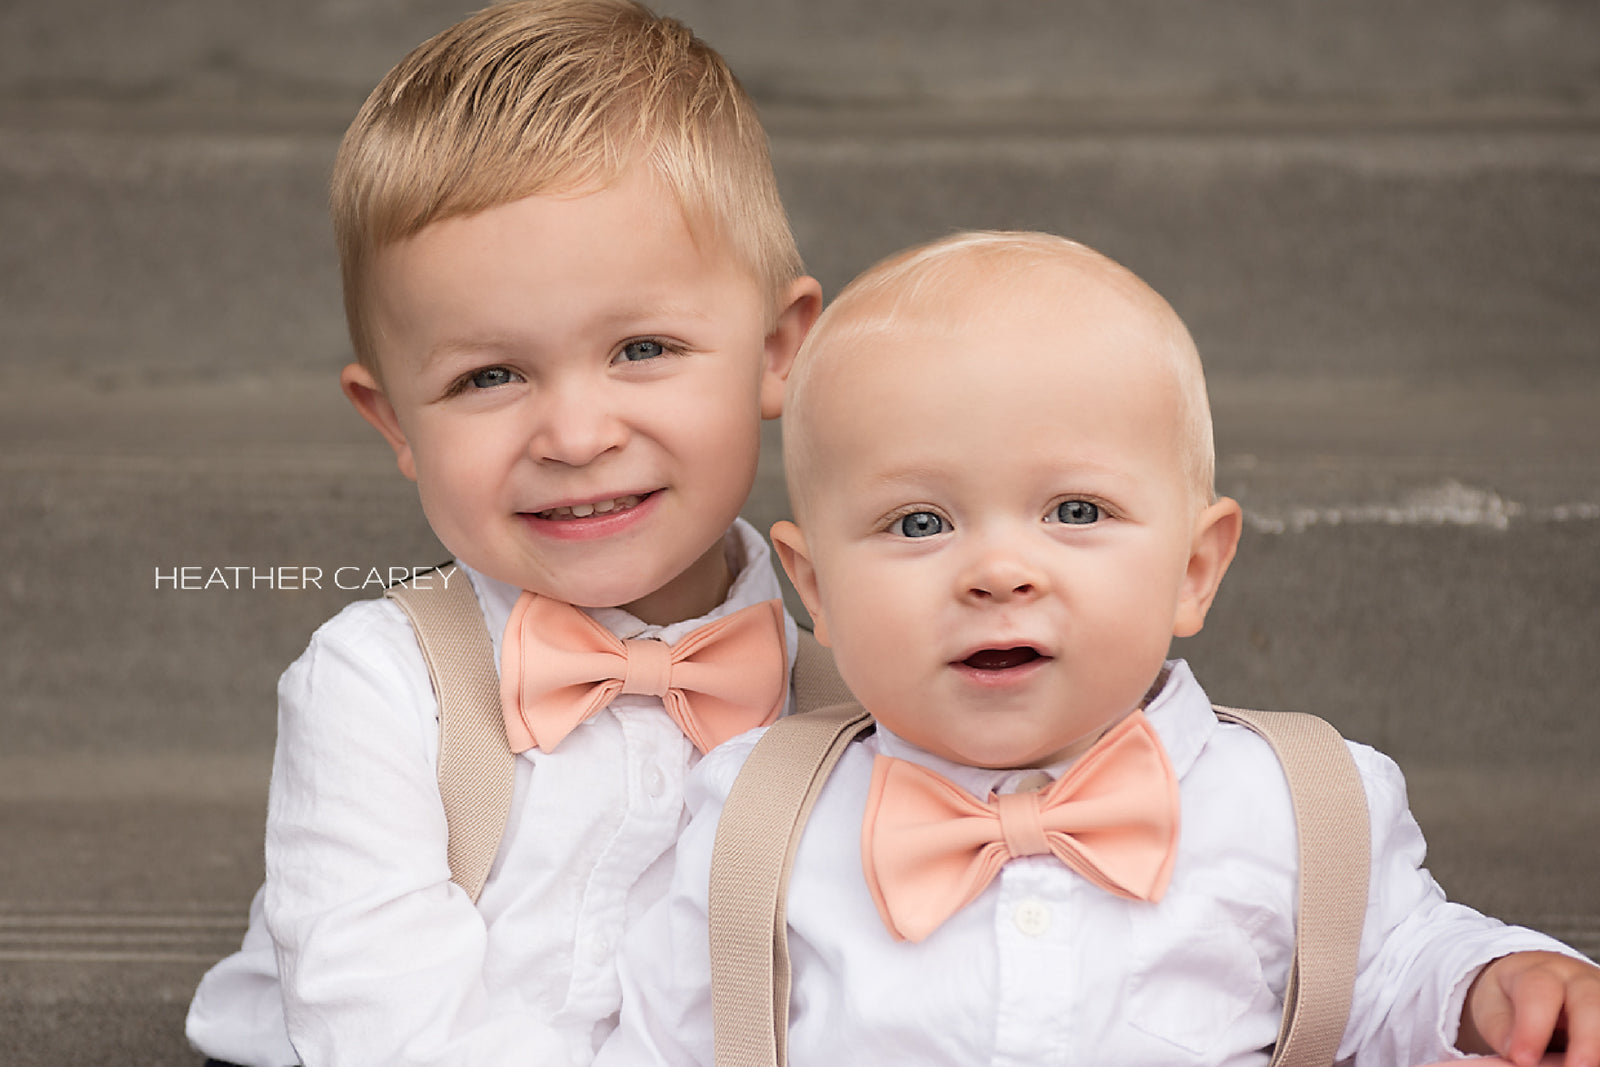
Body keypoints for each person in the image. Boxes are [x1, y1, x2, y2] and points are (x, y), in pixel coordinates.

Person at [597, 231, 1600, 1067]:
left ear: (1194, 569)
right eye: (916, 523)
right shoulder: (756, 814)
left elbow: (1394, 969)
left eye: (1074, 510)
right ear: (815, 591)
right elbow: (659, 1037)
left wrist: (1492, 982)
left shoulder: (1299, 801)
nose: (997, 570)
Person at [184, 2, 823, 1063]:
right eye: (489, 375)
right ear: (394, 419)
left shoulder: (848, 692)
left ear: (774, 350)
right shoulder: (381, 686)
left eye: (643, 348)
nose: (575, 434)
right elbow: (384, 1022)